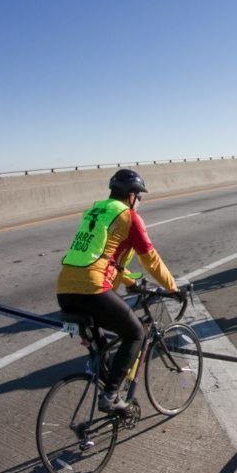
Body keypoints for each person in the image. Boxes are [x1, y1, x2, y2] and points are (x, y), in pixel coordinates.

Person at [56, 168, 183, 414]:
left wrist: (130, 282)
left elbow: (104, 257)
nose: (139, 201)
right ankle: (111, 396)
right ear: (131, 195)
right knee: (136, 334)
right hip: (93, 288)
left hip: (64, 289)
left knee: (102, 351)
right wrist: (172, 287)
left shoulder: (95, 211)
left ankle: (106, 387)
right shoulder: (128, 216)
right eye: (139, 196)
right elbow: (151, 260)